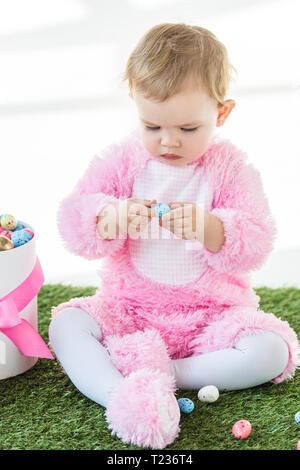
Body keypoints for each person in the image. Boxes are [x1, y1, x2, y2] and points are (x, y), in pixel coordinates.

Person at [49, 23, 299, 449]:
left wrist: (212, 228)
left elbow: (257, 239)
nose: (168, 142)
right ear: (135, 105)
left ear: (221, 113)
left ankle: (164, 375)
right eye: (152, 126)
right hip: (129, 311)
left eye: (187, 129)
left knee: (272, 351)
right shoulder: (123, 160)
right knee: (66, 324)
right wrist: (107, 217)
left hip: (210, 318)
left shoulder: (230, 168)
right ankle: (120, 396)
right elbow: (73, 218)